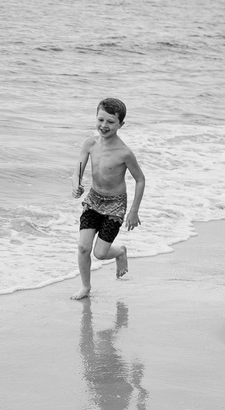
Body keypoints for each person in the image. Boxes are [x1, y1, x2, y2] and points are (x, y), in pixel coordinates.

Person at [71, 98, 146, 299]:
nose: (104, 126)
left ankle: (120, 252)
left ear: (121, 124)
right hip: (93, 200)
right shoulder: (89, 144)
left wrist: (134, 211)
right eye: (101, 119)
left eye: (111, 122)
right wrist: (76, 186)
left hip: (115, 205)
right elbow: (77, 171)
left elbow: (140, 180)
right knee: (83, 247)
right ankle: (85, 287)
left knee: (100, 253)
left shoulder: (124, 153)